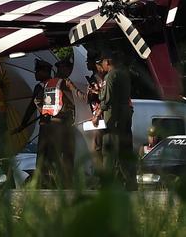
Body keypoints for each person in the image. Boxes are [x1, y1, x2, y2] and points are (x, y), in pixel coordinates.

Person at [34, 58, 85, 188]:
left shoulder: (49, 82)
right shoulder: (64, 83)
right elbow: (76, 100)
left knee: (53, 155)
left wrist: (45, 111)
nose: (70, 71)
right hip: (63, 122)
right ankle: (66, 184)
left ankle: (50, 183)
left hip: (51, 122)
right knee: (67, 153)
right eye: (68, 68)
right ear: (63, 68)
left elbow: (37, 100)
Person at [97, 51, 137, 190]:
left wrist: (97, 115)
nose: (102, 65)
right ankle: (131, 182)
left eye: (102, 62)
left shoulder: (111, 75)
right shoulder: (125, 73)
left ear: (107, 62)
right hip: (126, 115)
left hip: (114, 116)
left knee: (109, 150)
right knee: (125, 150)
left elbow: (107, 98)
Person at [86, 52, 106, 172]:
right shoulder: (93, 77)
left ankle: (102, 177)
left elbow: (105, 97)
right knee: (96, 148)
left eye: (88, 61)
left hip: (101, 116)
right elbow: (89, 99)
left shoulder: (101, 77)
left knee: (97, 148)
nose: (87, 64)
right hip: (96, 114)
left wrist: (96, 92)